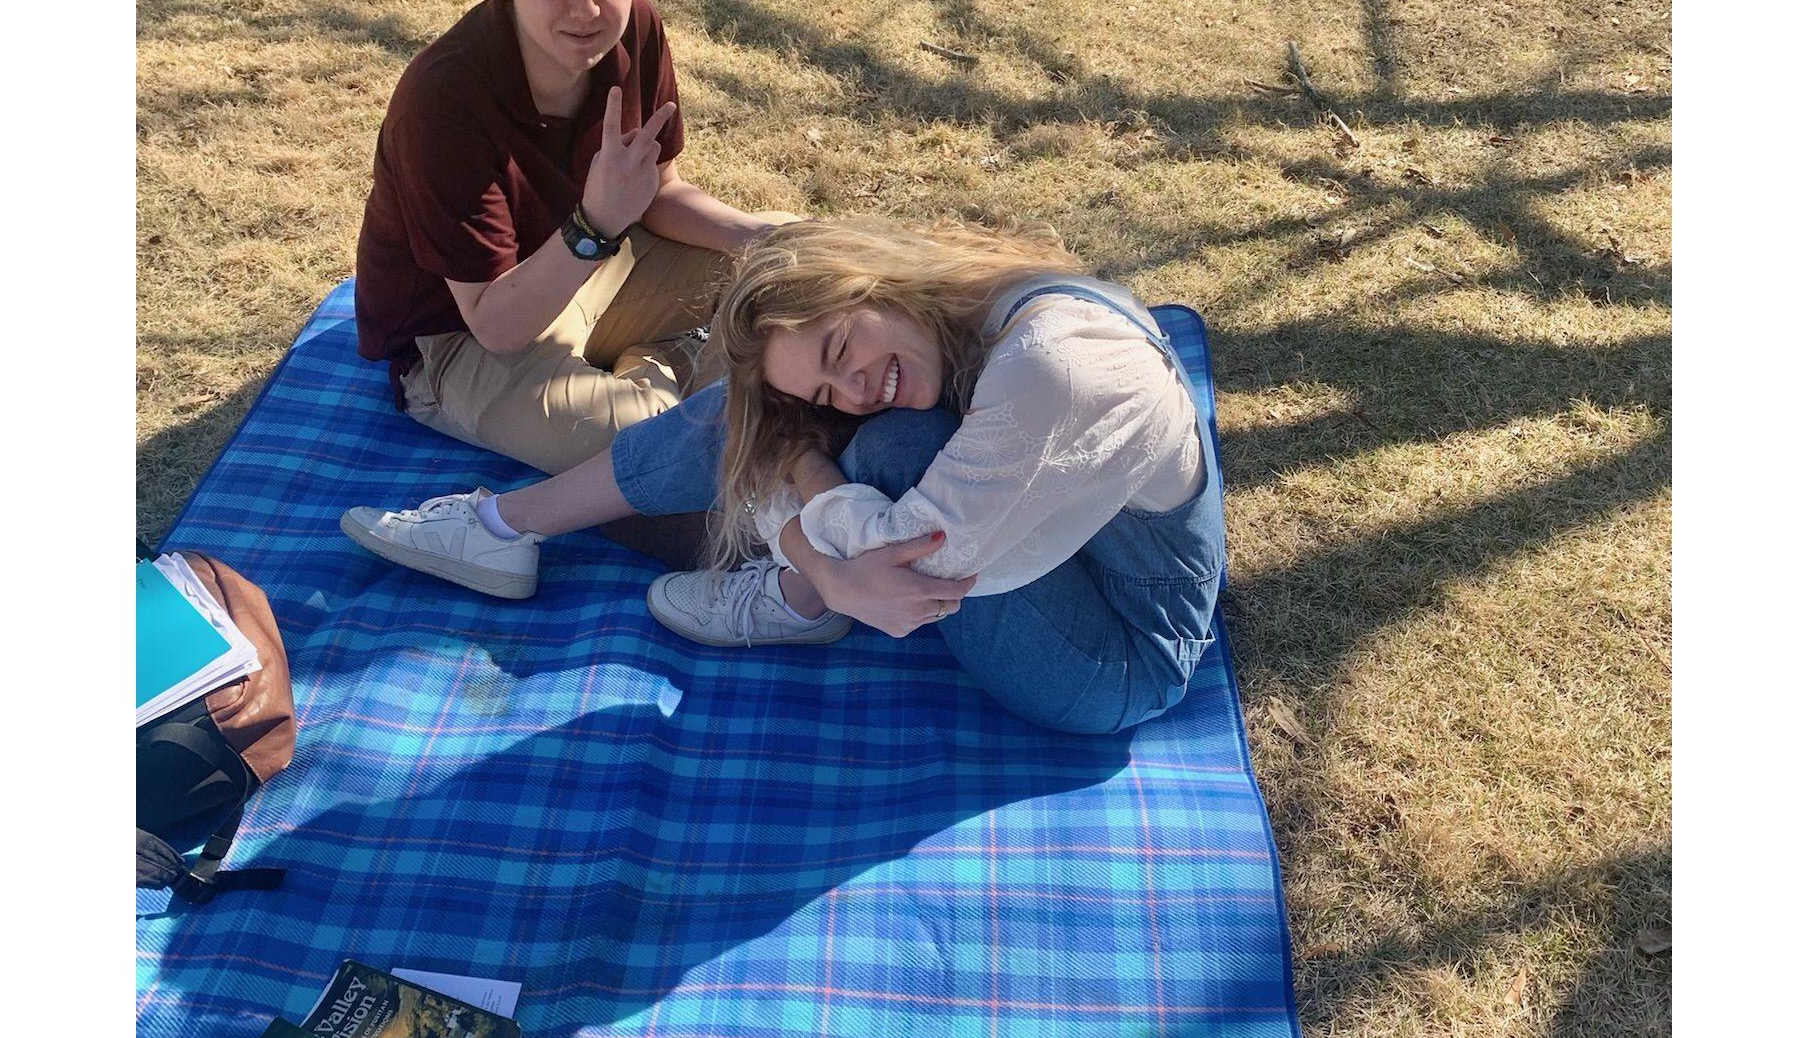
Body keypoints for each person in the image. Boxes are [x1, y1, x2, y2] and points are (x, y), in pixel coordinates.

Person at [341, 219, 1227, 736]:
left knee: (874, 450)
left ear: (878, 282)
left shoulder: (1055, 365)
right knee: (760, 400)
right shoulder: (944, 313)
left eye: (844, 346)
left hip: (1119, 654)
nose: (854, 382)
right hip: (1013, 556)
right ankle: (504, 527)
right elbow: (816, 425)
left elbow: (900, 575)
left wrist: (813, 509)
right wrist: (797, 454)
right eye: (829, 378)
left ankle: (799, 601)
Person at [352, 0, 790, 477]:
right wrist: (595, 225)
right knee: (649, 440)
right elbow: (495, 322)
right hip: (460, 338)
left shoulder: (636, 28)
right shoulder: (443, 98)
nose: (586, 10)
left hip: (602, 265)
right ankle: (672, 374)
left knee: (785, 270)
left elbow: (661, 192)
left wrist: (769, 235)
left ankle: (660, 367)